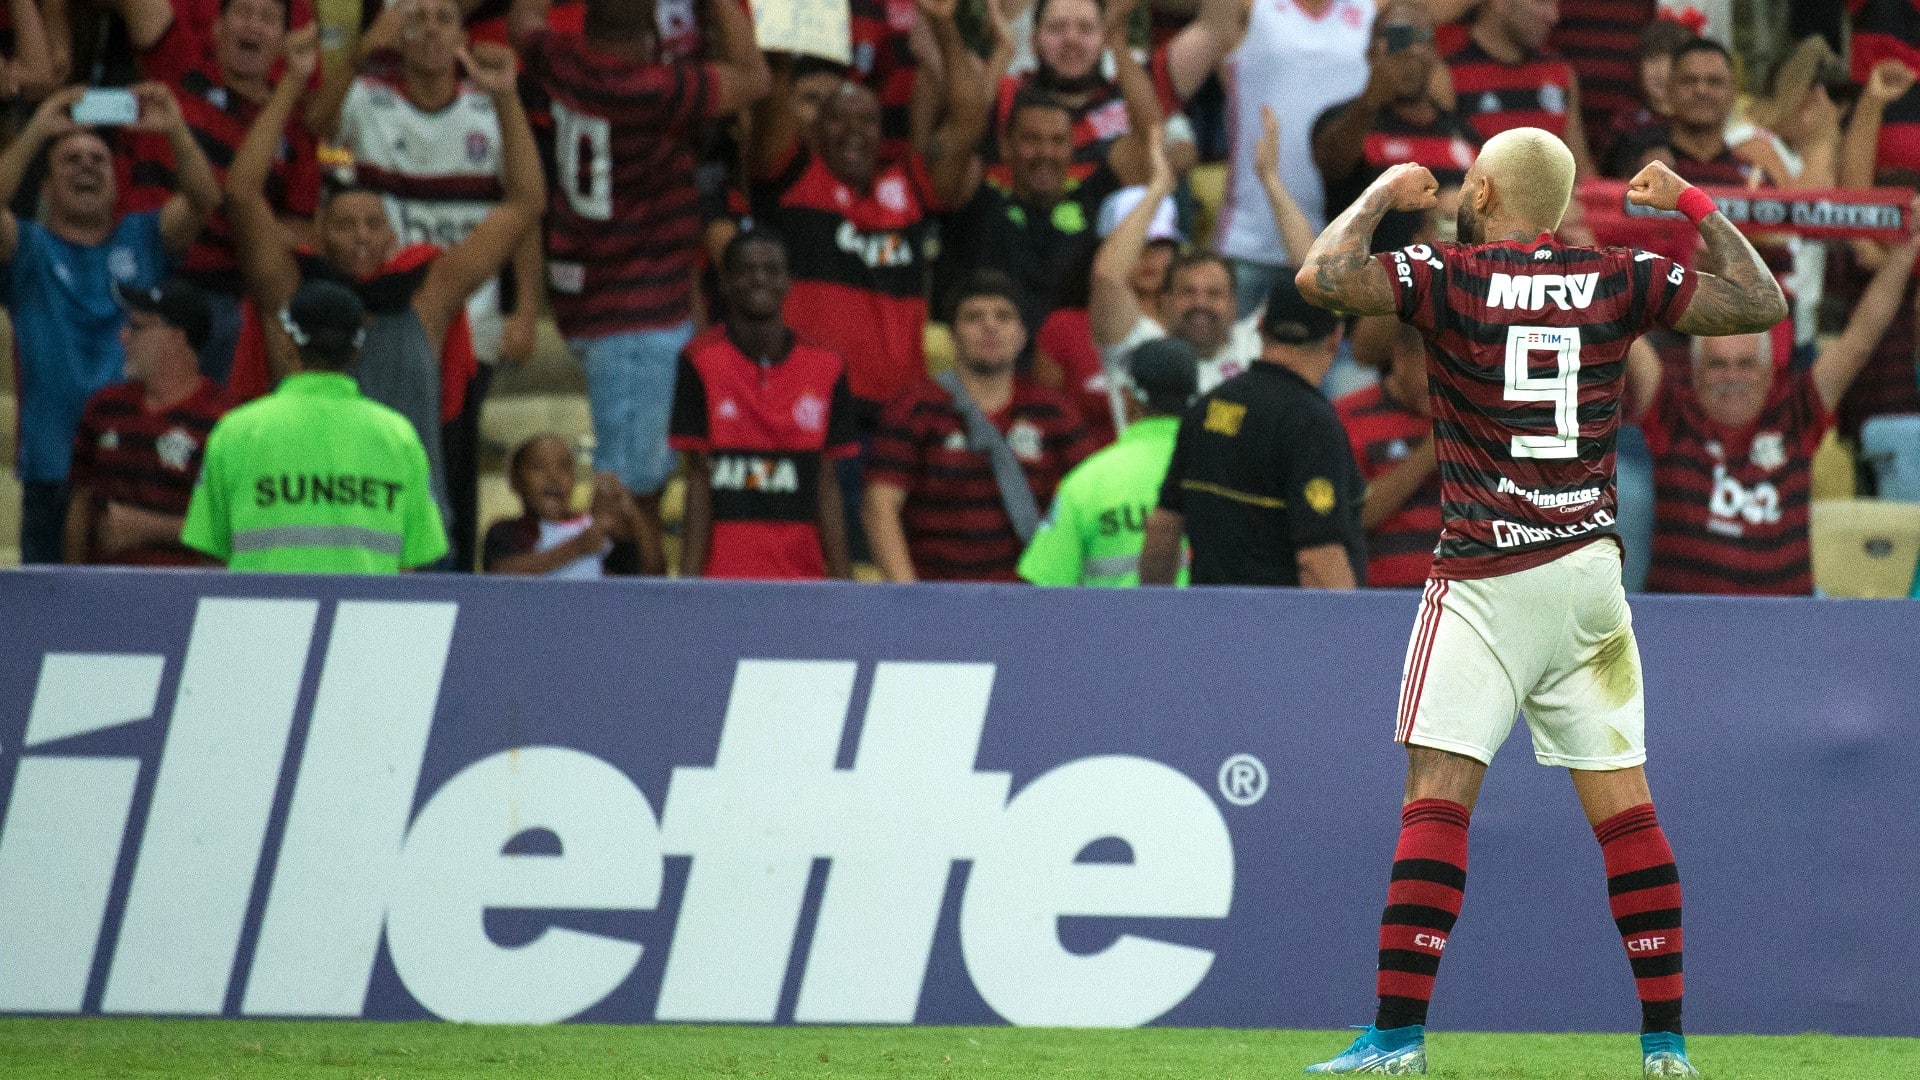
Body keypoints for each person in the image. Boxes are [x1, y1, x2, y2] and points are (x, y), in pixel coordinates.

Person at [1292, 127, 1786, 1075]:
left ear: (1478, 191)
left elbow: (1322, 278)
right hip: (1588, 577)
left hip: (1484, 572)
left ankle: (1395, 1043)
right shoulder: (1617, 274)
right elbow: (1758, 301)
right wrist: (1690, 202)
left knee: (1437, 799)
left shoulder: (1448, 274)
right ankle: (1667, 1049)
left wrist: (1385, 194)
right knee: (1627, 813)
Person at [228, 29, 543, 555]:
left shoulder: (427, 294)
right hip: (304, 529)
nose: (360, 238)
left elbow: (525, 203)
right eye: (346, 225)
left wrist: (507, 96)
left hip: (407, 536)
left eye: (373, 225)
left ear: (394, 236)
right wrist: (291, 85)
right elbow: (241, 192)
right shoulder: (290, 289)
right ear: (318, 233)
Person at [514, 0, 771, 574]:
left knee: (636, 493)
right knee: (631, 505)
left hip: (595, 301)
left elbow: (524, 23)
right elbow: (756, 79)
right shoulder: (654, 88)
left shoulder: (560, 60)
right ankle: (639, 638)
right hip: (638, 315)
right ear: (651, 33)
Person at [308, 0, 546, 571]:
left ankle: (446, 573)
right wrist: (364, 46)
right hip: (381, 302)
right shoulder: (366, 98)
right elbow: (316, 129)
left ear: (464, 34)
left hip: (462, 307)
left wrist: (527, 305)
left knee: (449, 450)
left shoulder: (490, 107)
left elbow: (524, 208)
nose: (432, 30)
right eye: (418, 18)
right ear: (397, 31)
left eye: (445, 18)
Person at [1637, 215, 1920, 595]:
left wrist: (1909, 246)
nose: (1732, 377)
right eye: (1718, 364)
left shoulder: (1795, 414)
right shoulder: (1672, 412)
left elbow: (1859, 341)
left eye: (1745, 363)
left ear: (1770, 372)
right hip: (1682, 633)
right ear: (1695, 371)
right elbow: (1616, 322)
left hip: (1787, 633)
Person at [0, 83, 223, 564]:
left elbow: (205, 199)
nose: (86, 166)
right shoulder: (29, 249)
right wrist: (38, 128)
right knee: (52, 620)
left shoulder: (141, 236)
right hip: (52, 468)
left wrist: (175, 129)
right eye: (70, 159)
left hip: (136, 466)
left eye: (98, 159)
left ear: (118, 181)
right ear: (45, 187)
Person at [748, 0, 984, 417]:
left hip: (898, 415)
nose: (854, 132)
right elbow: (771, 97)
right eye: (838, 119)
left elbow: (968, 118)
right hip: (809, 406)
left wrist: (945, 24)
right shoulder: (794, 181)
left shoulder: (908, 189)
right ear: (816, 129)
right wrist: (780, 45)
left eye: (868, 121)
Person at [116, 0, 323, 382]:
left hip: (231, 296)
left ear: (281, 41)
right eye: (243, 14)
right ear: (217, 29)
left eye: (267, 19)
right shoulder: (177, 74)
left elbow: (297, 235)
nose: (253, 27)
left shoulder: (293, 130)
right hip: (149, 279)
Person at [182, 279, 449, 572]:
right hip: (363, 617)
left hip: (262, 617)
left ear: (288, 342)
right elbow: (411, 564)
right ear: (356, 351)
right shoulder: (399, 437)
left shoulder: (235, 432)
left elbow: (210, 559)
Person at [864, 270, 1092, 582]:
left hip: (1032, 606)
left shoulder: (1055, 412)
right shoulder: (914, 407)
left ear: (1022, 335)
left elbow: (1087, 502)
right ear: (951, 337)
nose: (990, 326)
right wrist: (910, 601)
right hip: (938, 605)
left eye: (1004, 316)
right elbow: (880, 506)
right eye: (973, 317)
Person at [1139, 278, 1364, 588]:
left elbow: (1163, 529)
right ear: (1335, 338)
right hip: (1281, 629)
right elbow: (1318, 559)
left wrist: (1157, 619)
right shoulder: (1312, 423)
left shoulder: (1207, 406)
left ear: (1260, 327)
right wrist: (1351, 634)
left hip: (1207, 626)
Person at [669, 230, 860, 580]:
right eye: (745, 269)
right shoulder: (698, 361)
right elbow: (698, 478)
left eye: (772, 270)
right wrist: (689, 584)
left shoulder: (827, 365)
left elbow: (826, 482)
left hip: (803, 579)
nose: (759, 278)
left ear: (788, 282)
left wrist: (843, 580)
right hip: (723, 579)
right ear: (724, 282)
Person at [1092, 123, 1311, 396]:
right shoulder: (1140, 346)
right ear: (1165, 301)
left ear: (1234, 303)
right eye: (1188, 292)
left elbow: (1313, 276)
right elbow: (1107, 278)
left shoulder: (1254, 346)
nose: (1200, 303)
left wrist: (1270, 181)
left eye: (1214, 293)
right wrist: (1159, 187)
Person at [1214, 0, 1375, 316]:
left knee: (1332, 360)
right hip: (1251, 239)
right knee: (1229, 362)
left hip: (1341, 244)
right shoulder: (1250, 8)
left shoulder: (1372, 10)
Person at [64, 278, 228, 566]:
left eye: (137, 327)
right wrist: (70, 588)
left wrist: (150, 527)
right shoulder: (105, 407)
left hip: (182, 596)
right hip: (104, 595)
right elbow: (80, 504)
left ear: (177, 337)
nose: (123, 336)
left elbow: (229, 527)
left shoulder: (224, 419)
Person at [1019, 336, 1196, 586]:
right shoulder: (1227, 473)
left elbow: (1045, 587)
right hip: (1214, 625)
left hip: (1108, 625)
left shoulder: (1086, 482)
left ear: (1128, 399)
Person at [1312, 0, 1482, 255]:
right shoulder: (1342, 121)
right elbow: (1333, 165)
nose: (1409, 51)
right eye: (1396, 36)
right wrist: (1371, 100)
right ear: (1371, 52)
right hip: (1365, 283)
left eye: (1419, 37)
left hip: (1442, 286)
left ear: (1435, 54)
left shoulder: (1465, 136)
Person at [1333, 314, 1437, 588]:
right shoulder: (1346, 417)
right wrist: (1427, 456)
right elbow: (1354, 517)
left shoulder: (1468, 417)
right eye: (1432, 372)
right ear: (1401, 357)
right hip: (1382, 604)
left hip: (1457, 607)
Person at [1445, 0, 1599, 178]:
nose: (1554, 17)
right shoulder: (1447, 75)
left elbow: (1582, 172)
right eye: (1542, 3)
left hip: (1553, 201)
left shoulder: (1560, 72)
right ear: (1499, 3)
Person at [482, 433, 641, 576]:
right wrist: (577, 547)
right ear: (514, 481)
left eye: (564, 467)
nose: (553, 477)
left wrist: (631, 515)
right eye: (539, 466)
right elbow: (500, 574)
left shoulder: (596, 529)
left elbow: (645, 573)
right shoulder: (506, 531)